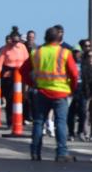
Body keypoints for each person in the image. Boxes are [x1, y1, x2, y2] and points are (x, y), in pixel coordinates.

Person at [24, 26, 80, 162]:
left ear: (45, 38)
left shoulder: (37, 53)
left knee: (38, 122)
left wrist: (32, 83)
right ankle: (61, 153)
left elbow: (23, 70)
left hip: (41, 92)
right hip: (60, 93)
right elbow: (74, 74)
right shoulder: (65, 53)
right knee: (60, 122)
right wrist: (71, 88)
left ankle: (35, 152)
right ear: (59, 39)